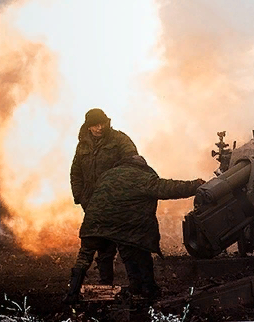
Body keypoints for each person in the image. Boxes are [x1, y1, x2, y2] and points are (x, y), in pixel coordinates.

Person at [64, 155, 204, 303]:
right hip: (124, 226)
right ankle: (148, 288)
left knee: (84, 257)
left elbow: (91, 194)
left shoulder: (107, 175)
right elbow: (169, 188)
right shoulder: (142, 177)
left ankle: (72, 293)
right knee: (138, 251)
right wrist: (196, 185)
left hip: (94, 223)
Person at [69, 108, 138, 286]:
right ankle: (105, 285)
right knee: (101, 247)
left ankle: (138, 288)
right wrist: (80, 196)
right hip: (92, 205)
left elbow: (133, 165)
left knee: (127, 247)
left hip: (117, 204)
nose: (99, 128)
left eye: (102, 123)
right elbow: (76, 172)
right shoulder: (83, 145)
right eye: (94, 125)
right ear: (88, 127)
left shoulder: (120, 140)